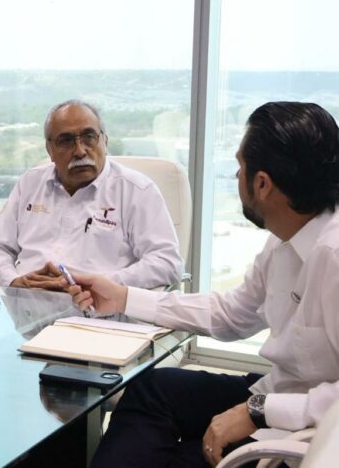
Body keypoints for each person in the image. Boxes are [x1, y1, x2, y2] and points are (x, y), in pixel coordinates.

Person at [67, 101, 339, 467]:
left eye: (240, 167)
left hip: (307, 435)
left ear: (262, 184)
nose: (236, 176)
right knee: (152, 389)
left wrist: (259, 411)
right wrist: (124, 298)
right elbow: (231, 314)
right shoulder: (285, 239)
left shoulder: (333, 256)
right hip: (278, 393)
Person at [0, 99, 182, 291]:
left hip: (98, 308)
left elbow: (167, 263)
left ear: (105, 141)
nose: (80, 151)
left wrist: (99, 285)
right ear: (49, 149)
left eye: (89, 137)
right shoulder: (30, 184)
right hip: (26, 305)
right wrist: (13, 281)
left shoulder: (136, 191)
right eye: (66, 141)